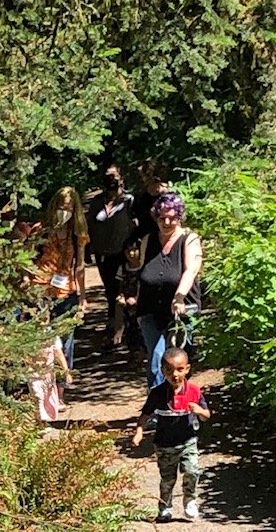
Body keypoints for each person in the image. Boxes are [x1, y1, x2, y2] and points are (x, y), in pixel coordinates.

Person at [131, 190, 203, 388]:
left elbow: (191, 270)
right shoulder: (148, 240)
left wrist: (179, 297)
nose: (167, 222)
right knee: (156, 364)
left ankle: (179, 409)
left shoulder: (189, 239)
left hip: (180, 314)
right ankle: (158, 411)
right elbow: (142, 274)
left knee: (176, 365)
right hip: (150, 312)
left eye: (172, 218)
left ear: (179, 217)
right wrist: (138, 309)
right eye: (162, 218)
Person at [131, 347, 210, 521]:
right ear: (162, 371)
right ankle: (165, 507)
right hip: (164, 444)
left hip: (188, 441)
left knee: (192, 471)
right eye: (169, 370)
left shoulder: (194, 391)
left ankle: (190, 500)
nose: (175, 375)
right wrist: (139, 432)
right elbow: (145, 414)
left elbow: (206, 415)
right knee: (168, 478)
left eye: (180, 369)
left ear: (187, 369)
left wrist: (199, 411)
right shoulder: (158, 393)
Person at [29, 186, 89, 372]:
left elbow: (79, 265)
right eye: (61, 207)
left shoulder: (78, 233)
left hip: (65, 292)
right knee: (43, 340)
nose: (65, 212)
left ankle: (62, 385)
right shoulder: (40, 230)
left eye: (69, 208)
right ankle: (44, 384)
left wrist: (82, 296)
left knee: (65, 340)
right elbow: (27, 258)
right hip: (40, 290)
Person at [85, 165, 138, 336]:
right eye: (108, 176)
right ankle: (112, 323)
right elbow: (90, 225)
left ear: (121, 178)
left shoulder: (129, 201)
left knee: (123, 290)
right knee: (110, 289)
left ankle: (126, 327)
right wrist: (87, 248)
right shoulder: (97, 202)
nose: (111, 180)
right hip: (102, 253)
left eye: (114, 176)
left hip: (123, 253)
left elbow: (136, 224)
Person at [30, 332, 72, 422]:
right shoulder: (28, 335)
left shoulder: (52, 337)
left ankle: (42, 420)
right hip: (33, 373)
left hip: (48, 374)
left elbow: (59, 354)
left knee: (47, 397)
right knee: (38, 396)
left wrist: (66, 372)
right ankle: (41, 421)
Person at [131, 159, 170, 244]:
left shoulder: (167, 196)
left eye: (144, 175)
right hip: (145, 240)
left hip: (163, 238)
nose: (141, 179)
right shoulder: (139, 197)